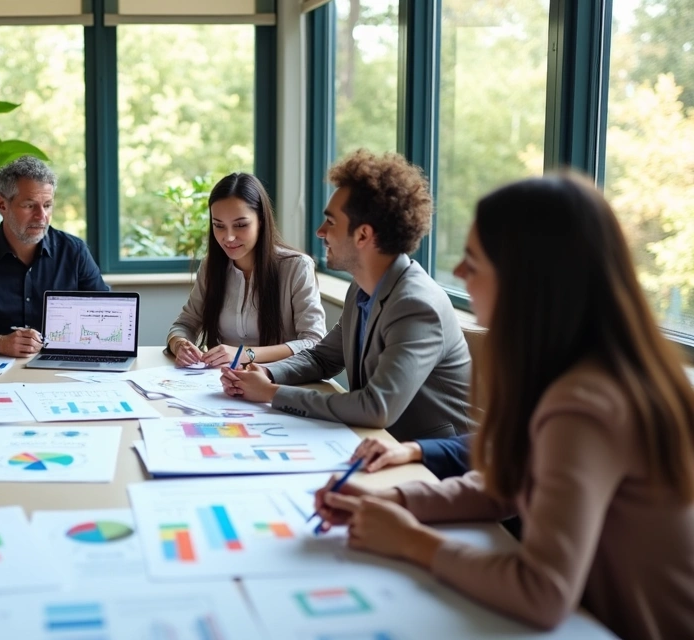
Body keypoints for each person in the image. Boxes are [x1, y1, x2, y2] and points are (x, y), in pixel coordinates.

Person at [313, 174, 694, 638]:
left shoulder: (587, 402)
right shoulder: (574, 370)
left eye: (473, 260)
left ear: (526, 278)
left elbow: (543, 592)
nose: (457, 273)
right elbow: (504, 486)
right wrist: (388, 501)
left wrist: (411, 541)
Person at [221, 149, 474, 442]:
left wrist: (271, 393)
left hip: (433, 462)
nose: (319, 232)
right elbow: (322, 358)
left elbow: (376, 407)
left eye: (330, 222)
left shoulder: (415, 304)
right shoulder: (363, 287)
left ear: (363, 235)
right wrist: (267, 374)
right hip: (380, 445)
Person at [0, 156, 108, 356]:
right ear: (2, 204)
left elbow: (107, 315)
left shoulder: (74, 251)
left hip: (60, 367)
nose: (41, 216)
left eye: (48, 205)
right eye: (29, 205)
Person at [167, 172, 325, 368]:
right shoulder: (211, 266)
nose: (229, 237)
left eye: (240, 225)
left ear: (261, 220)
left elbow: (313, 341)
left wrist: (245, 354)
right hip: (220, 381)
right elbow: (184, 325)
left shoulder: (296, 267)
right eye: (219, 226)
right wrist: (180, 344)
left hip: (277, 382)